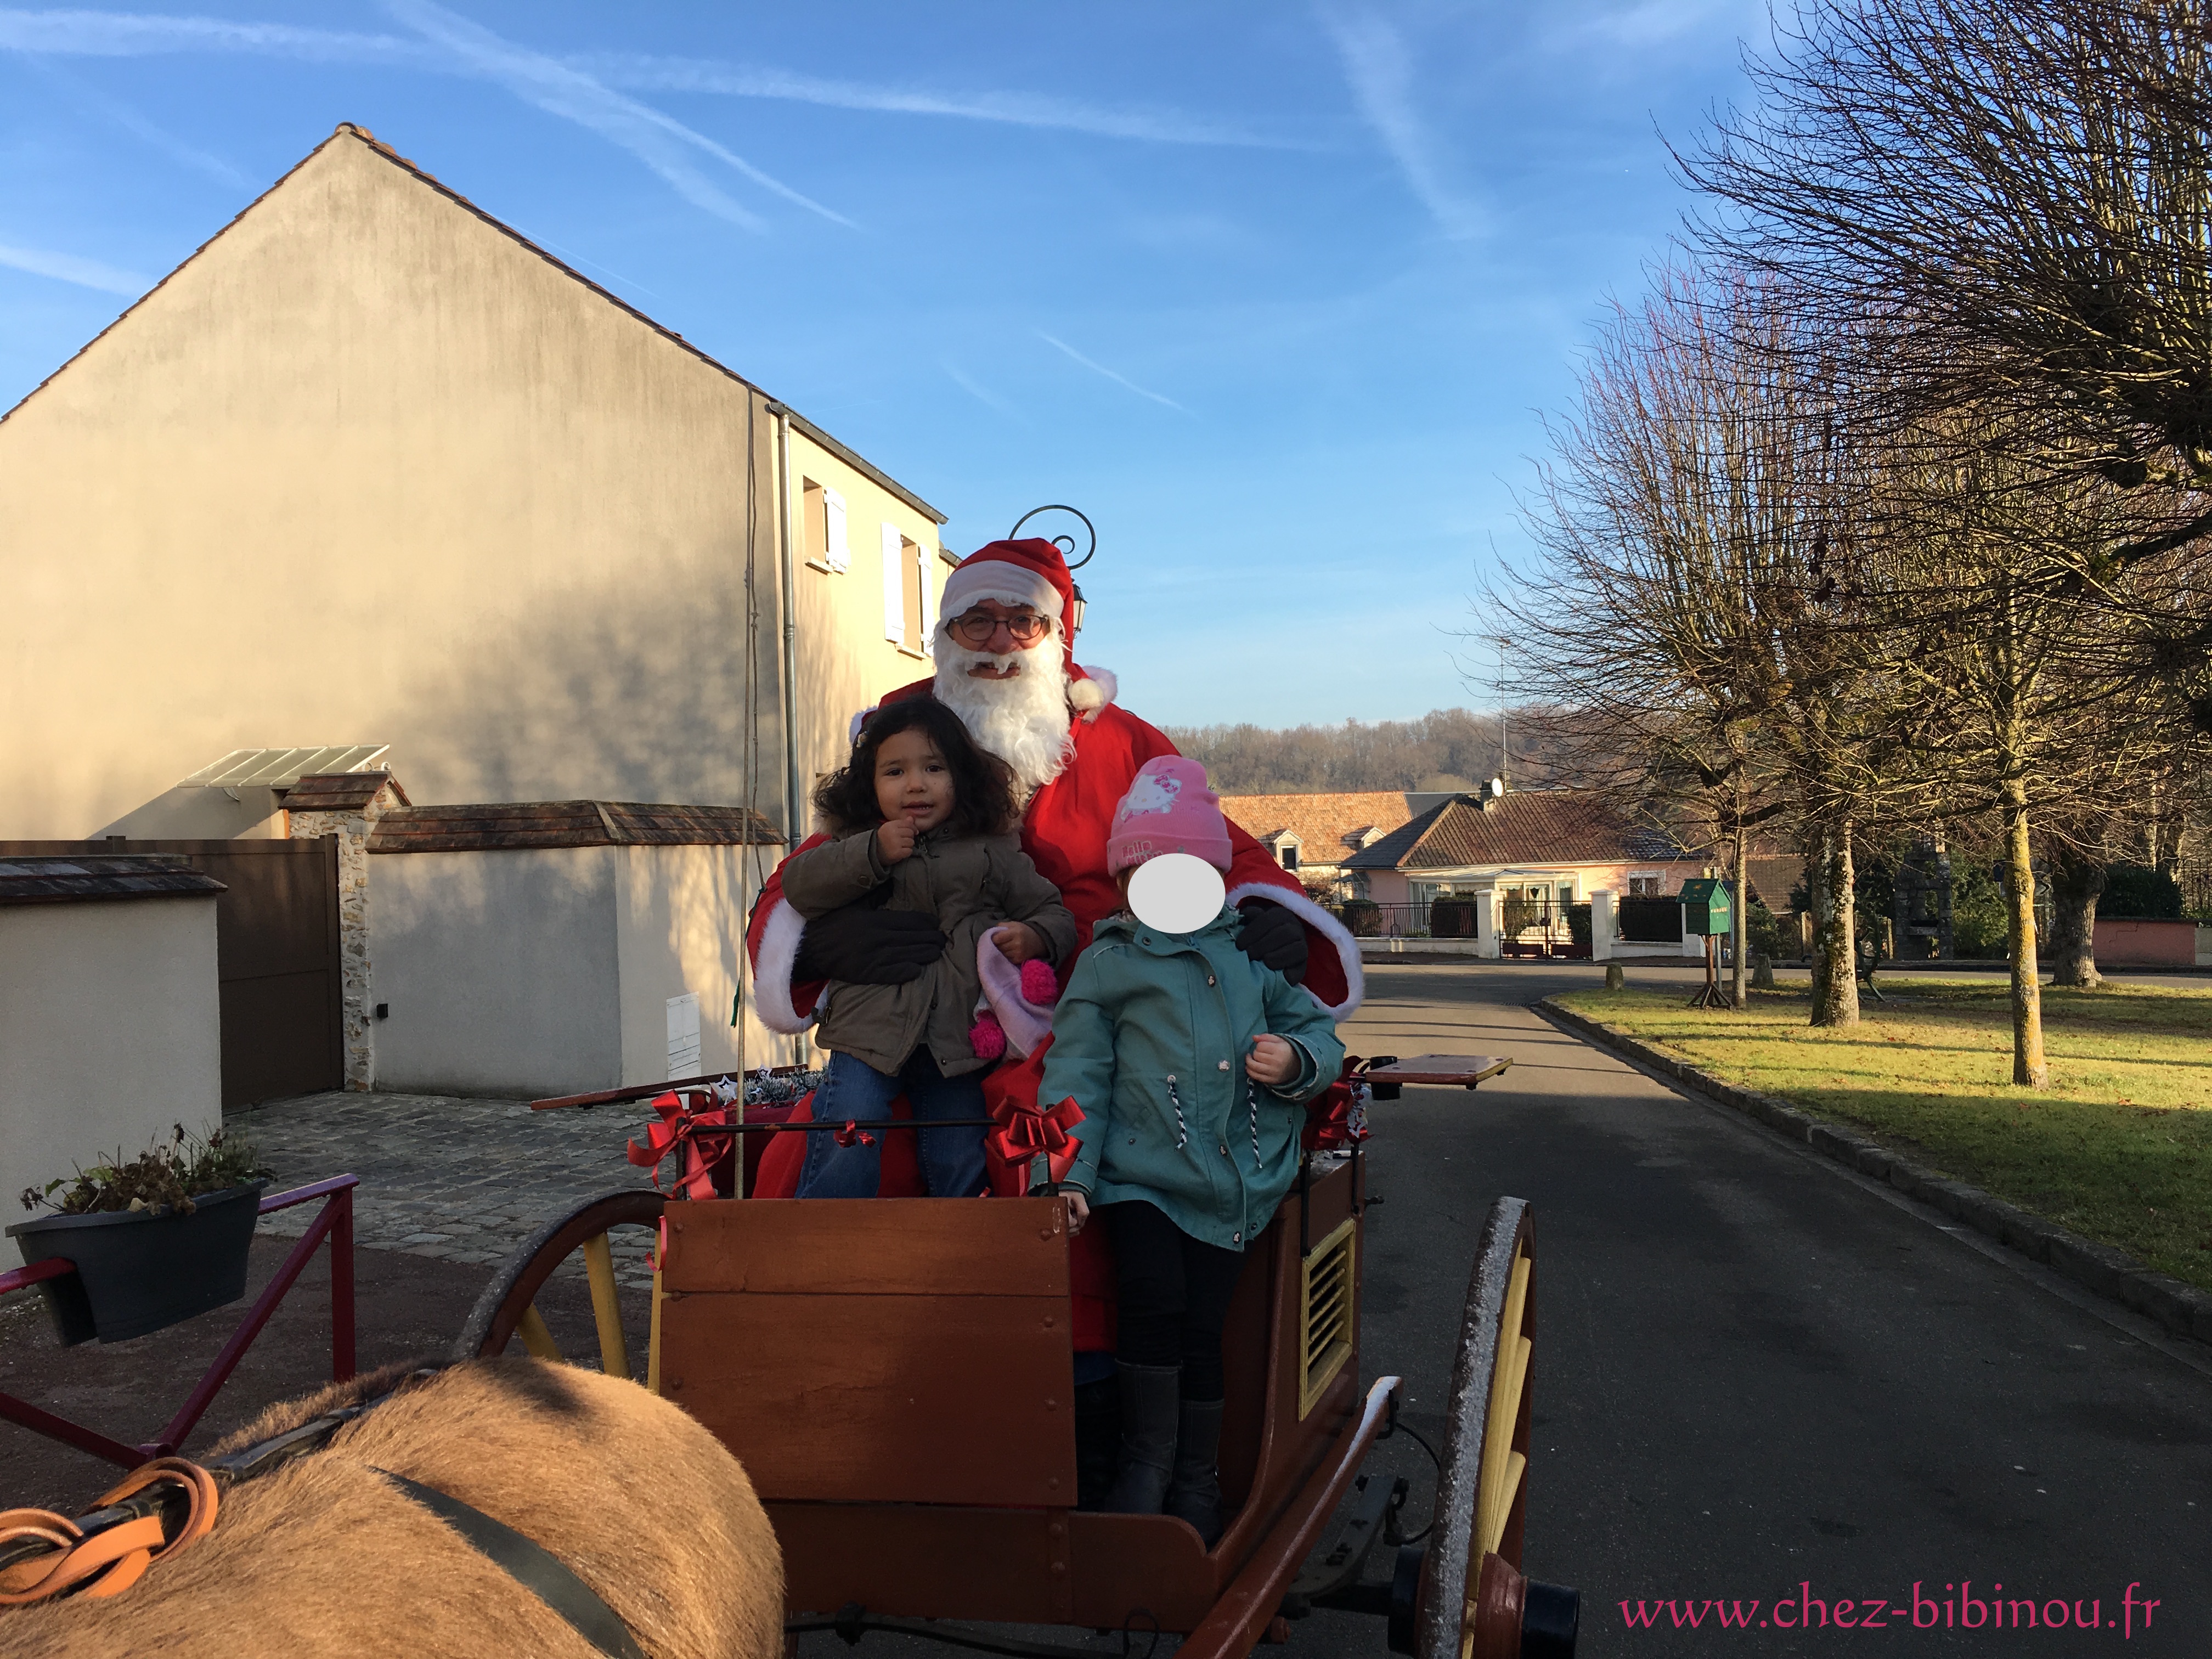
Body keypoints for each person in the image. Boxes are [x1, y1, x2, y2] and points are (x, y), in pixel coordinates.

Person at [747, 537, 1363, 1047]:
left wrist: (1263, 911)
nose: (1000, 641)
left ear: (1055, 636)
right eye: (978, 621)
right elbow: (814, 865)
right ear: (948, 634)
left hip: (1109, 1016)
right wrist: (811, 945)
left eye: (1023, 620)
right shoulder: (899, 737)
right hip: (930, 1024)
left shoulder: (1124, 744)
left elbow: (1211, 844)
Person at [1039, 757, 1345, 1544]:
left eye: (1187, 870)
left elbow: (1318, 1033)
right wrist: (1066, 1172)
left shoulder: (1251, 959)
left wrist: (1294, 1062)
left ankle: (1197, 1480)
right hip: (1141, 1174)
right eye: (1149, 871)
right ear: (1128, 881)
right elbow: (1079, 1071)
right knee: (1152, 1302)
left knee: (1203, 1326)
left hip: (1235, 1180)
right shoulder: (1109, 963)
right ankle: (1146, 1465)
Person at [780, 699, 1076, 1199]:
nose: (915, 784)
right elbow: (800, 884)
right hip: (867, 1033)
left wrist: (1037, 937)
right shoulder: (856, 839)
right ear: (870, 784)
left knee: (958, 1152)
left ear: (960, 776)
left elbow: (1055, 911)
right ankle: (826, 1240)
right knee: (850, 1130)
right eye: (895, 771)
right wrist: (871, 852)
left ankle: (958, 1262)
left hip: (957, 1041)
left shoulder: (990, 847)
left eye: (933, 768)